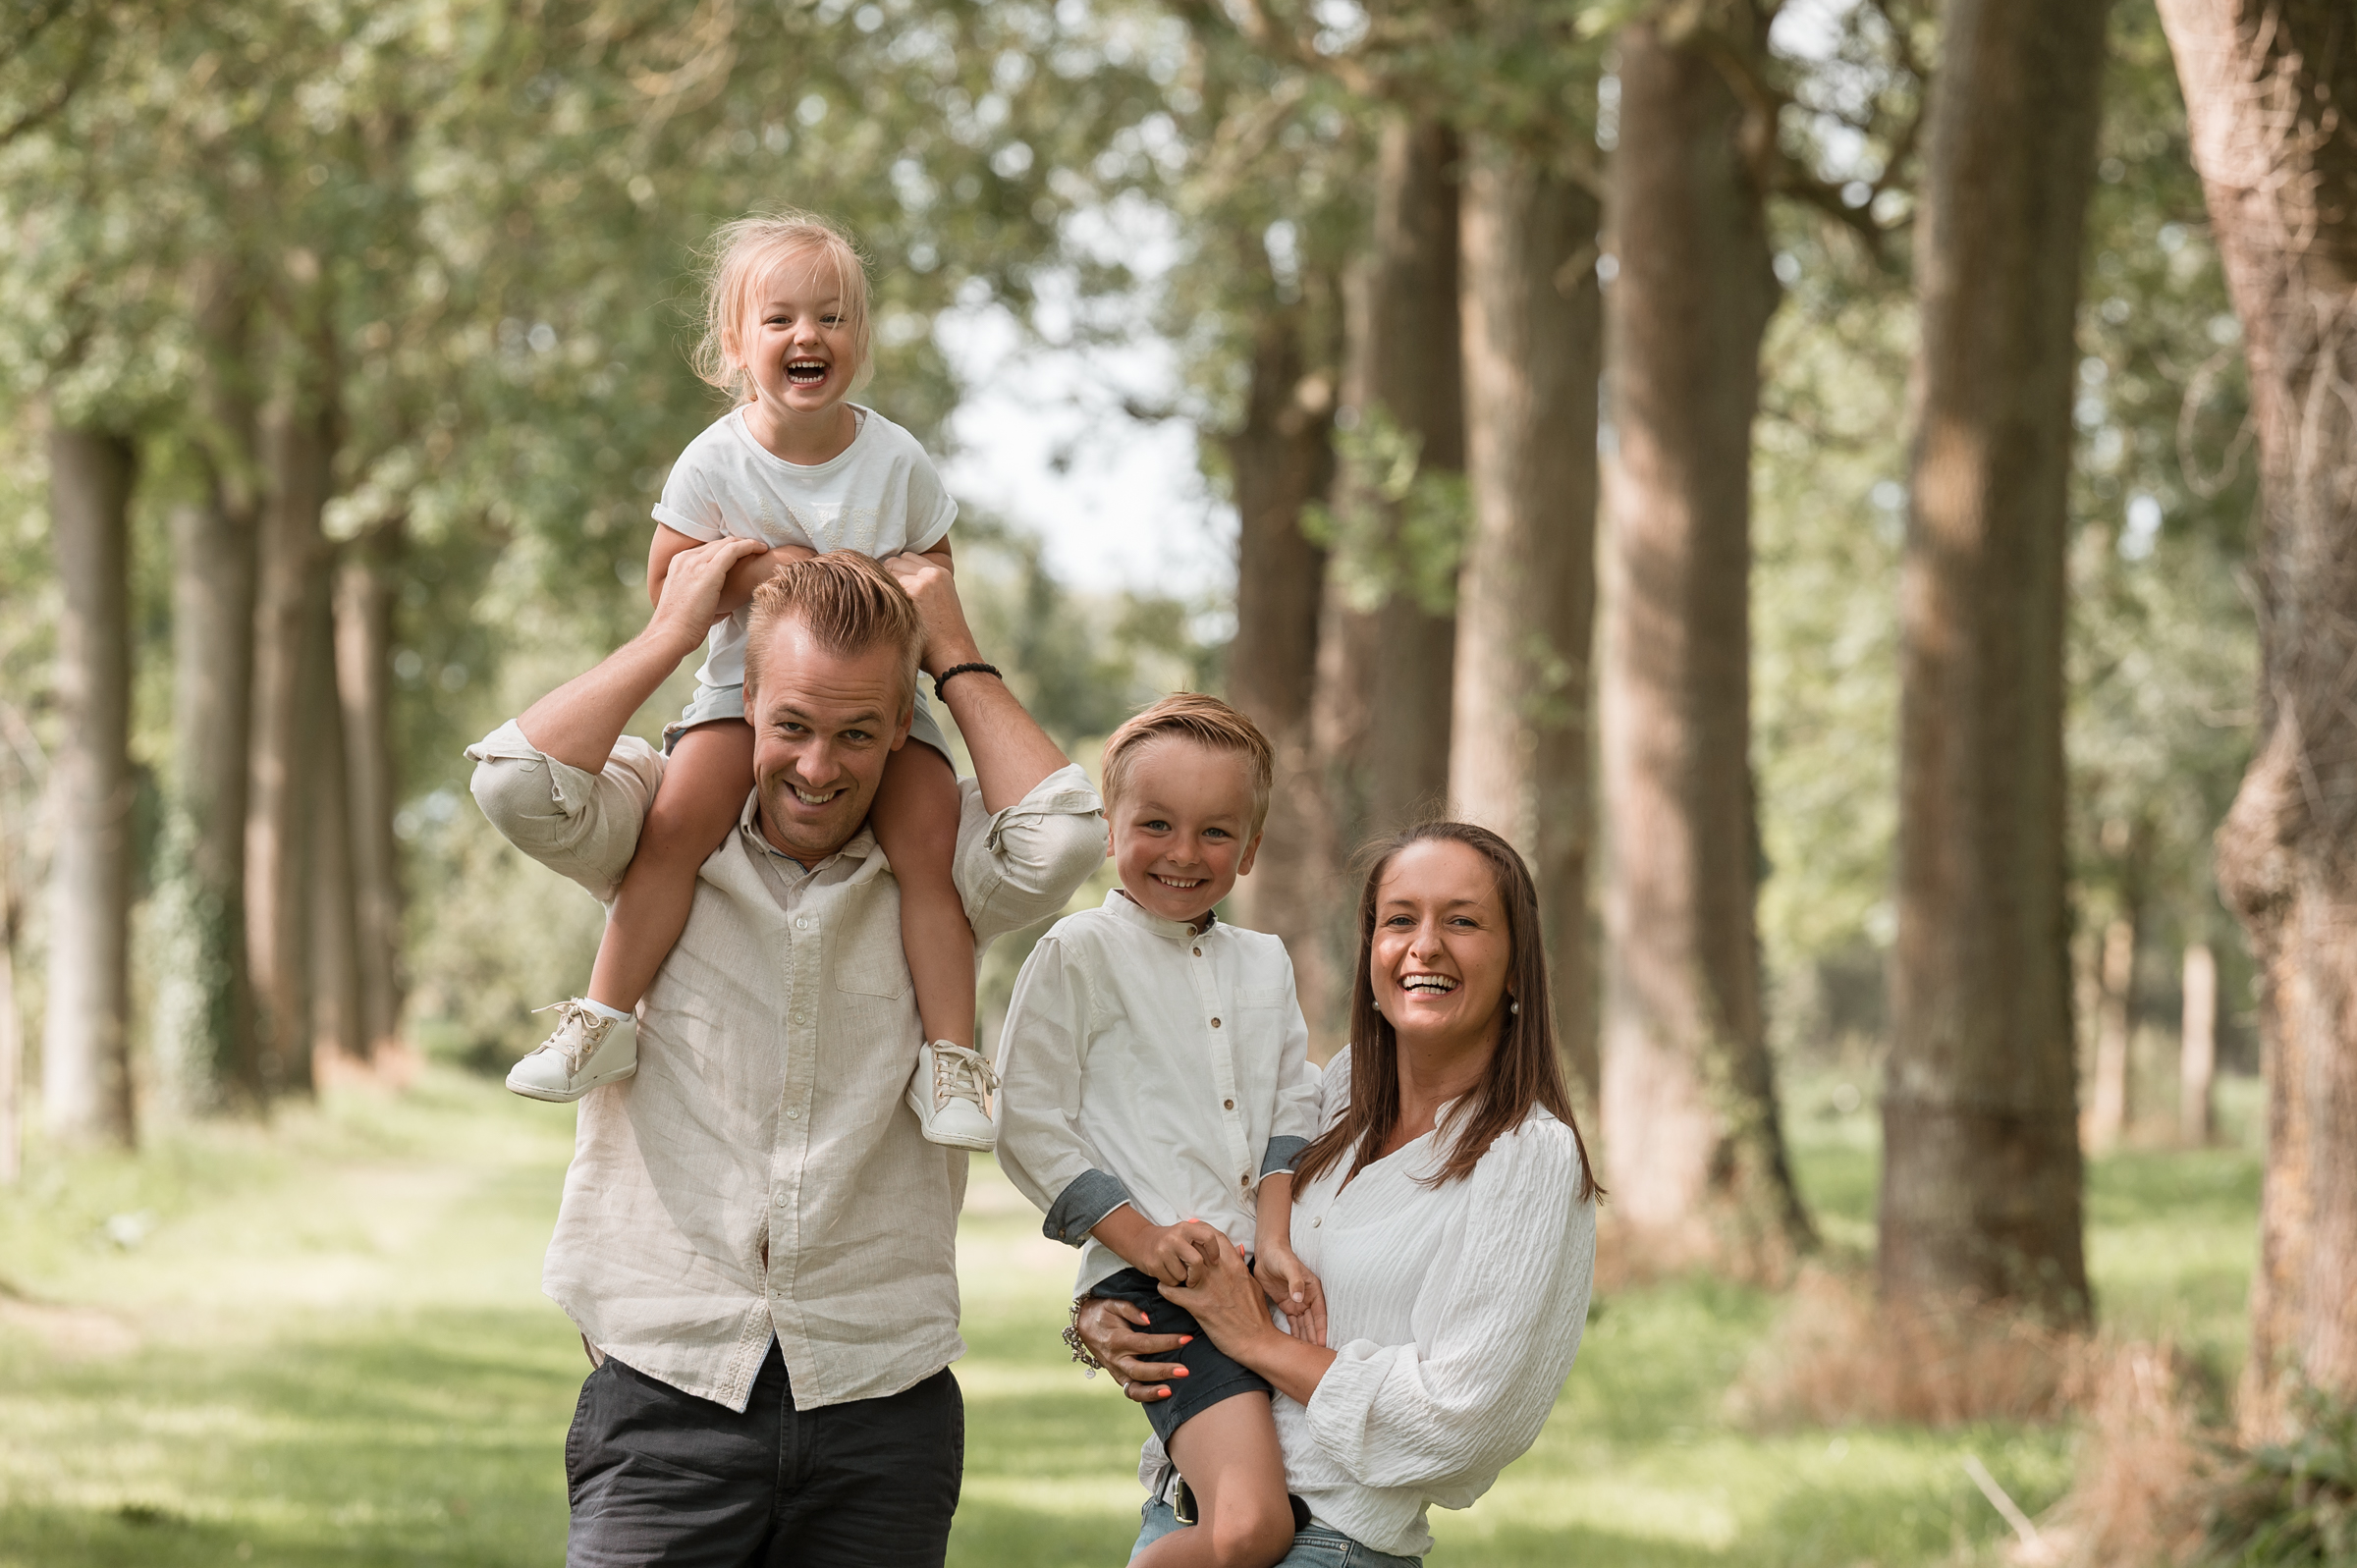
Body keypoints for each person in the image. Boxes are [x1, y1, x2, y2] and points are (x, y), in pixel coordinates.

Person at [466, 546, 1105, 1566]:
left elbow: (1064, 837)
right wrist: (676, 632)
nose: (818, 767)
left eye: (857, 732)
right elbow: (515, 781)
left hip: (880, 1399)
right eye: (792, 725)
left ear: (901, 731)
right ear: (746, 707)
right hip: (668, 1388)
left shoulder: (945, 870)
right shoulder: (655, 826)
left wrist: (955, 654)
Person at [505, 210, 994, 1153]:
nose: (807, 337)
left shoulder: (896, 461)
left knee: (929, 842)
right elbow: (674, 585)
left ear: (861, 338)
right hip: (743, 691)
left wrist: (803, 575)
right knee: (676, 824)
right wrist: (806, 571)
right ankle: (604, 1019)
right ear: (735, 346)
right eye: (779, 321)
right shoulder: (716, 460)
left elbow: (931, 585)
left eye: (832, 317)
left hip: (879, 698)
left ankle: (953, 1061)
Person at [1073, 821, 1601, 1566]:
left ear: (1517, 967)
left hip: (1329, 1545)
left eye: (1462, 919)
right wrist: (1099, 1312)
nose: (1425, 945)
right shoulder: (1334, 1095)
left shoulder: (1528, 1157)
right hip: (1183, 1518)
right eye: (1399, 919)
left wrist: (1256, 1340)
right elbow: (1193, 1207)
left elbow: (1459, 1422)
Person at [995, 694, 1325, 1568]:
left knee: (1249, 1517)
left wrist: (1279, 1237)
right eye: (1156, 823)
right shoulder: (1077, 954)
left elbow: (1295, 1109)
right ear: (1110, 827)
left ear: (1251, 847)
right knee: (1255, 1526)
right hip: (1160, 1292)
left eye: (1217, 831)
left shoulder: (1266, 963)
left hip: (1259, 1280)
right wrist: (1140, 1243)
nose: (1185, 852)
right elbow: (1026, 1120)